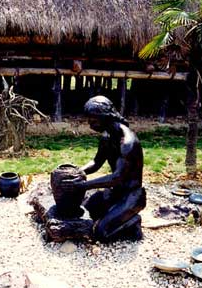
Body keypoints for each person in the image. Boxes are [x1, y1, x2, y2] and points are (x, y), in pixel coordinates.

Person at [61, 95, 146, 242]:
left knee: (102, 233)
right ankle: (118, 215)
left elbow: (117, 177)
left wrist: (83, 186)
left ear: (105, 117)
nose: (90, 125)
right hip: (116, 192)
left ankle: (133, 222)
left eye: (93, 120)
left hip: (132, 196)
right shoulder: (107, 137)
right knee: (85, 210)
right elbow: (96, 162)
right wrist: (78, 172)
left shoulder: (127, 142)